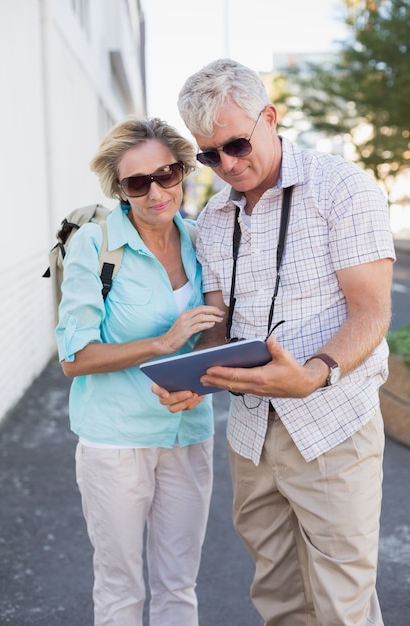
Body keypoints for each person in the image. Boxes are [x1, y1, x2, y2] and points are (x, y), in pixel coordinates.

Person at [152, 59, 396, 626]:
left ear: (270, 116)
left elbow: (371, 309)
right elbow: (220, 320)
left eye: (237, 144)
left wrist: (314, 372)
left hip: (332, 424)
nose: (227, 165)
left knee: (342, 606)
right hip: (251, 434)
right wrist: (195, 374)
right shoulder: (214, 216)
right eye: (209, 155)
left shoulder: (342, 189)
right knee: (279, 597)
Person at [55, 115, 224, 626]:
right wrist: (165, 342)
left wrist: (201, 380)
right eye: (137, 182)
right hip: (116, 440)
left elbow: (217, 327)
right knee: (120, 587)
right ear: (121, 189)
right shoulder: (95, 245)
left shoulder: (201, 239)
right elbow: (73, 358)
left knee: (179, 584)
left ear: (183, 172)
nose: (156, 192)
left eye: (167, 174)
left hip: (189, 429)